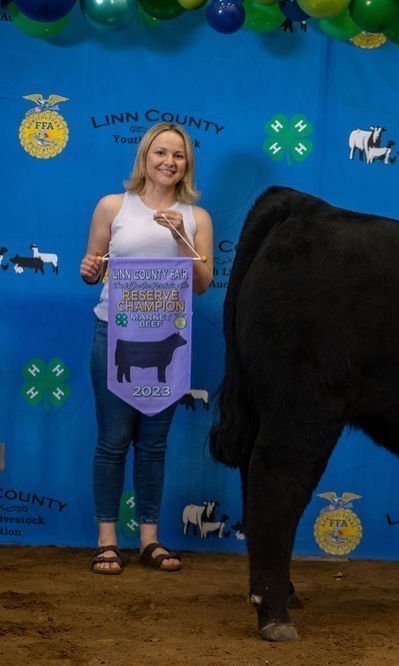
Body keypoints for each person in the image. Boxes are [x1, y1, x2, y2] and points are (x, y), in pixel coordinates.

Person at [79, 122, 214, 574]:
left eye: (178, 156)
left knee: (153, 444)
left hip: (168, 342)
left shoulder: (197, 218)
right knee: (114, 441)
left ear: (187, 165)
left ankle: (150, 539)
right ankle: (107, 539)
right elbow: (95, 268)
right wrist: (89, 269)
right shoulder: (112, 206)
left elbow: (202, 284)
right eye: (160, 153)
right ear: (145, 157)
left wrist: (179, 235)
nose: (168, 162)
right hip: (114, 335)